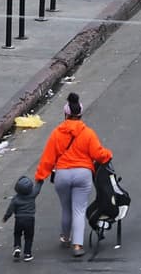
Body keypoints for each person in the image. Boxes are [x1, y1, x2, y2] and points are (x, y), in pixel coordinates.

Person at [34, 92, 112, 258]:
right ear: (80, 114)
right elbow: (99, 154)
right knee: (79, 209)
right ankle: (77, 245)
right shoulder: (88, 133)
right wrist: (108, 155)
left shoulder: (57, 133)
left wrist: (40, 178)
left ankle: (65, 237)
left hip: (62, 174)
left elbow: (48, 159)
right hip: (83, 174)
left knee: (66, 208)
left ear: (66, 114)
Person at [2, 175, 42, 261]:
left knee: (17, 234)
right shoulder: (32, 195)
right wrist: (40, 180)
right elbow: (38, 188)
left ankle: (17, 247)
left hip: (19, 219)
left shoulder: (15, 199)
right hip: (30, 219)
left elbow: (10, 209)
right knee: (29, 237)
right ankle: (27, 254)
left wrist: (6, 217)